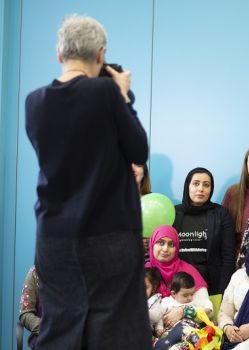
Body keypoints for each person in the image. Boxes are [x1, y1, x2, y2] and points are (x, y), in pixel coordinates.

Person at [25, 15, 150, 349]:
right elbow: (138, 148)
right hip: (108, 233)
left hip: (53, 237)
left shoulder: (34, 102)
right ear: (100, 55)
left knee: (60, 323)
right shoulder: (105, 92)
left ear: (59, 54)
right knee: (116, 328)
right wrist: (122, 94)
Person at [173, 167, 235, 295]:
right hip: (177, 286)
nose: (201, 189)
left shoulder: (221, 214)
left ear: (211, 189)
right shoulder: (173, 213)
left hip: (211, 286)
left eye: (206, 185)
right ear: (187, 186)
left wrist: (222, 291)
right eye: (196, 184)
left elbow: (228, 256)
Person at [146, 225, 213, 330]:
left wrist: (183, 311)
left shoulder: (188, 271)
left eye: (171, 244)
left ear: (177, 247)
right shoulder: (144, 272)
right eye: (161, 243)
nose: (165, 249)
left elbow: (208, 310)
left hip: (186, 332)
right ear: (152, 244)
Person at [155, 272, 213, 350]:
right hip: (170, 332)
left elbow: (207, 302)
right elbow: (159, 315)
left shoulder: (193, 302)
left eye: (192, 294)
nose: (189, 298)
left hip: (190, 331)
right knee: (164, 345)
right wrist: (159, 327)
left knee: (189, 343)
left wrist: (208, 309)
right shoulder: (166, 302)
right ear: (173, 293)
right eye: (185, 295)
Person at [19, 266, 41, 349]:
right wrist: (46, 328)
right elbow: (25, 313)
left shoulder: (78, 273)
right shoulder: (35, 273)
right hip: (44, 338)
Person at [145, 267, 164, 339]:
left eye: (145, 287)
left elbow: (157, 317)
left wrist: (159, 327)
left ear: (153, 288)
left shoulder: (154, 300)